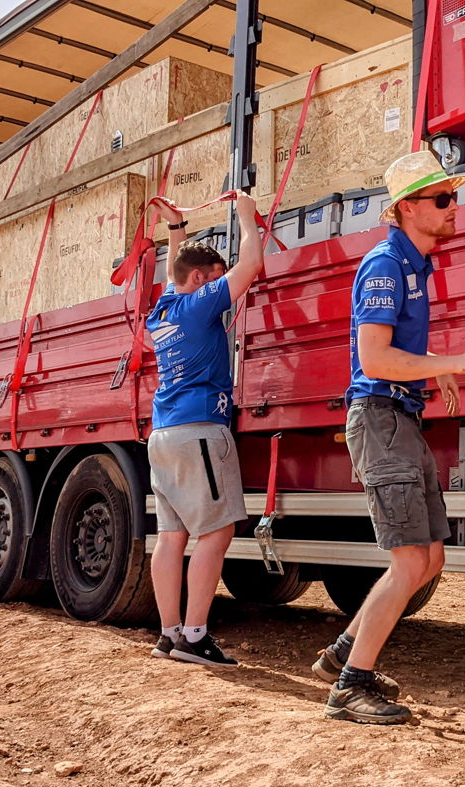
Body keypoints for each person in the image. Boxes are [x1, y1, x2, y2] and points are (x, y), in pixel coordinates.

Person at [313, 151, 465, 723]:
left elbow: (394, 351)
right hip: (380, 417)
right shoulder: (386, 265)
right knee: (409, 560)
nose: (453, 207)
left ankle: (345, 652)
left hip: (400, 416)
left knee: (432, 557)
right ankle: (349, 687)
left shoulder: (415, 265)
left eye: (453, 197)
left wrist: (432, 368)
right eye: (442, 199)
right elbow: (372, 357)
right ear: (406, 209)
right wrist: (456, 361)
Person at [145, 191, 264, 667]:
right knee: (217, 533)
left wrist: (177, 231)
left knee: (172, 537)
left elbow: (178, 271)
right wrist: (246, 218)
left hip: (164, 433)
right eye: (215, 280)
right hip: (200, 432)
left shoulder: (164, 311)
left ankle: (169, 633)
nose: (222, 290)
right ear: (200, 281)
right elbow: (251, 264)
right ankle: (195, 637)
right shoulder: (197, 305)